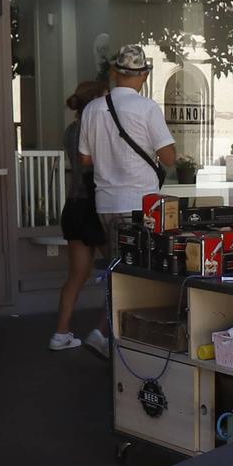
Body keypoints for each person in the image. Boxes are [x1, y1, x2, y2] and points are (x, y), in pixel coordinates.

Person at [77, 44, 176, 357]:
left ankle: (109, 333)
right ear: (144, 75)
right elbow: (169, 157)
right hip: (141, 205)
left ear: (115, 73)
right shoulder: (147, 108)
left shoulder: (93, 108)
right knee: (139, 274)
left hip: (105, 203)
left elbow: (84, 159)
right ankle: (116, 337)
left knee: (118, 269)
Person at [50, 79, 108, 350]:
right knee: (122, 271)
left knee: (76, 275)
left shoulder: (71, 129)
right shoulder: (98, 128)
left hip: (73, 205)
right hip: (97, 206)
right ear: (97, 100)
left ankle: (61, 334)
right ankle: (103, 332)